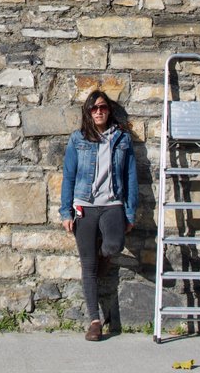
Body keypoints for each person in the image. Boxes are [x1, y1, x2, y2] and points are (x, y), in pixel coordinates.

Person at [59, 90, 139, 341]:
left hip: (112, 203)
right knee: (88, 266)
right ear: (88, 112)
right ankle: (95, 321)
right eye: (93, 108)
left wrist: (130, 212)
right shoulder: (78, 139)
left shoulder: (122, 139)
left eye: (102, 107)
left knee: (114, 245)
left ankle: (102, 256)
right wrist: (66, 211)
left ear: (109, 110)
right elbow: (69, 176)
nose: (99, 112)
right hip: (84, 205)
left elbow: (131, 176)